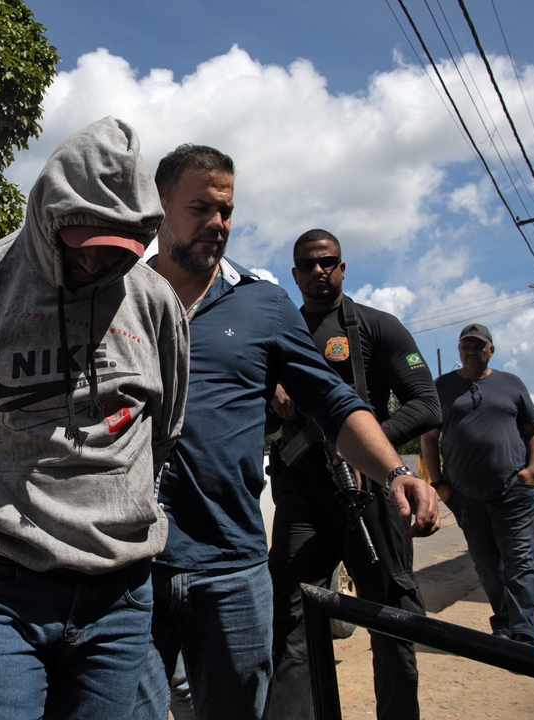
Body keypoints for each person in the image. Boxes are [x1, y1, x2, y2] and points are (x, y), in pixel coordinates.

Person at [131, 146, 441, 720]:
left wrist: (396, 472)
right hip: (129, 566)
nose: (217, 224)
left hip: (230, 566)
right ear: (160, 208)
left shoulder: (265, 304)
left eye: (226, 210)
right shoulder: (118, 297)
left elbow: (334, 401)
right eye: (200, 208)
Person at [0, 116, 190, 720]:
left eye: (118, 253)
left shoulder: (156, 302)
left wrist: (111, 497)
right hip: (0, 590)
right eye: (84, 248)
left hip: (120, 593)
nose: (95, 268)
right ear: (48, 214)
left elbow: (162, 429)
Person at [265, 229, 440, 720]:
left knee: (392, 620)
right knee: (291, 623)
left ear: (343, 268)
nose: (320, 270)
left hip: (370, 496)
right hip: (302, 497)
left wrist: (365, 447)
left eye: (329, 262)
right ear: (295, 273)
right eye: (308, 263)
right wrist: (272, 397)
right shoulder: (280, 334)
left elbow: (426, 404)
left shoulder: (378, 326)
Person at [421, 323, 534, 644]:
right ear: (459, 350)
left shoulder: (511, 384)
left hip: (513, 490)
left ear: (491, 349)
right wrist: (438, 483)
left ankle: (523, 631)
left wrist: (532, 471)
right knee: (488, 565)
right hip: (465, 495)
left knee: (519, 558)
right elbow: (429, 438)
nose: (472, 351)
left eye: (478, 345)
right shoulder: (442, 387)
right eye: (466, 346)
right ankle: (504, 624)